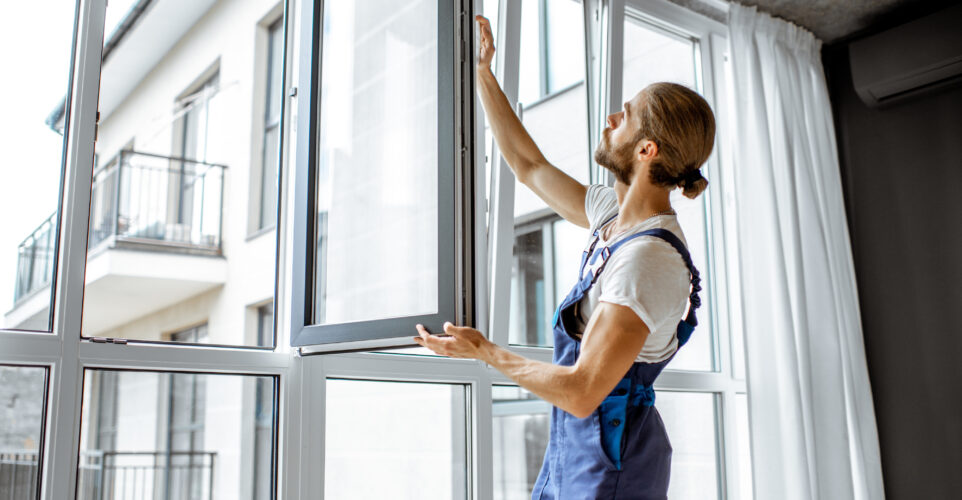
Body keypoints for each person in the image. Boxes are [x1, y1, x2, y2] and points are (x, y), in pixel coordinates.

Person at [414, 15, 716, 500]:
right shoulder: (611, 217)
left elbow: (581, 391)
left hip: (613, 469)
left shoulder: (647, 261)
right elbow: (528, 166)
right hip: (575, 451)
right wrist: (482, 72)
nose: (610, 120)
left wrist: (485, 351)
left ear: (646, 149)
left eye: (625, 116)